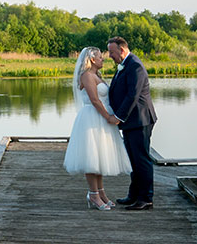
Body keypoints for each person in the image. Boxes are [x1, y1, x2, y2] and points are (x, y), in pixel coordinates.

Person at [62, 46, 130, 210]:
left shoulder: (96, 75)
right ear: (92, 59)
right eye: (100, 57)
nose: (103, 59)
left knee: (99, 156)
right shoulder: (86, 75)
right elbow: (94, 100)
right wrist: (108, 117)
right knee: (91, 157)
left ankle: (100, 192)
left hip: (100, 118)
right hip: (92, 118)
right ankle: (93, 194)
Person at [106, 36, 158, 210]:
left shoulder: (135, 65)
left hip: (140, 120)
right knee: (133, 160)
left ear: (122, 50)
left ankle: (146, 198)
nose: (109, 56)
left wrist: (118, 117)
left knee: (141, 159)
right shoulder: (124, 65)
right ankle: (134, 195)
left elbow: (132, 96)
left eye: (112, 52)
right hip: (131, 121)